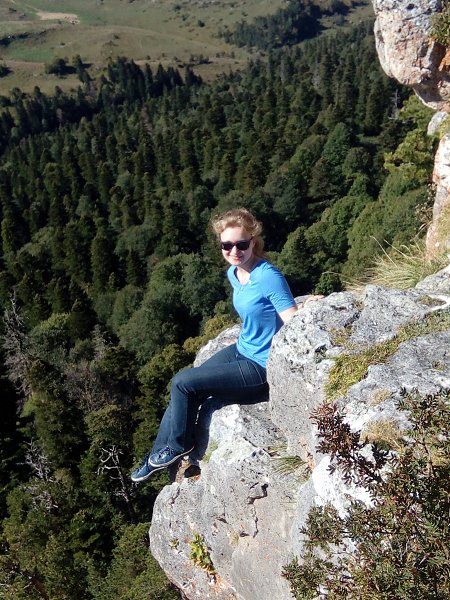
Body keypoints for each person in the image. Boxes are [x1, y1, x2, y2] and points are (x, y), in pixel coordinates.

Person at [131, 208, 319, 483]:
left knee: (183, 383)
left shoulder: (267, 275)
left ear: (253, 241)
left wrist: (308, 308)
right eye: (227, 245)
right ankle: (157, 455)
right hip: (242, 349)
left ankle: (179, 446)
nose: (234, 251)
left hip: (261, 367)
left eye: (241, 244)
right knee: (182, 390)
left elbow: (290, 318)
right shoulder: (235, 273)